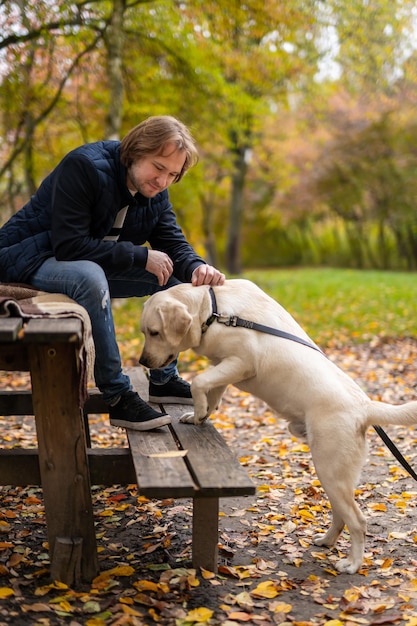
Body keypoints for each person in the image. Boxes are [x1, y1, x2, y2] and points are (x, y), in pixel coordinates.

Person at [0, 115, 225, 431]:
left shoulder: (156, 193)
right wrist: (140, 255)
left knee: (173, 281)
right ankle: (118, 397)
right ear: (135, 151)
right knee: (90, 276)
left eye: (173, 174)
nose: (162, 181)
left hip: (81, 260)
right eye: (158, 168)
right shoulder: (84, 167)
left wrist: (197, 267)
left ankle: (163, 377)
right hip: (29, 258)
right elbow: (69, 246)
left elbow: (173, 242)